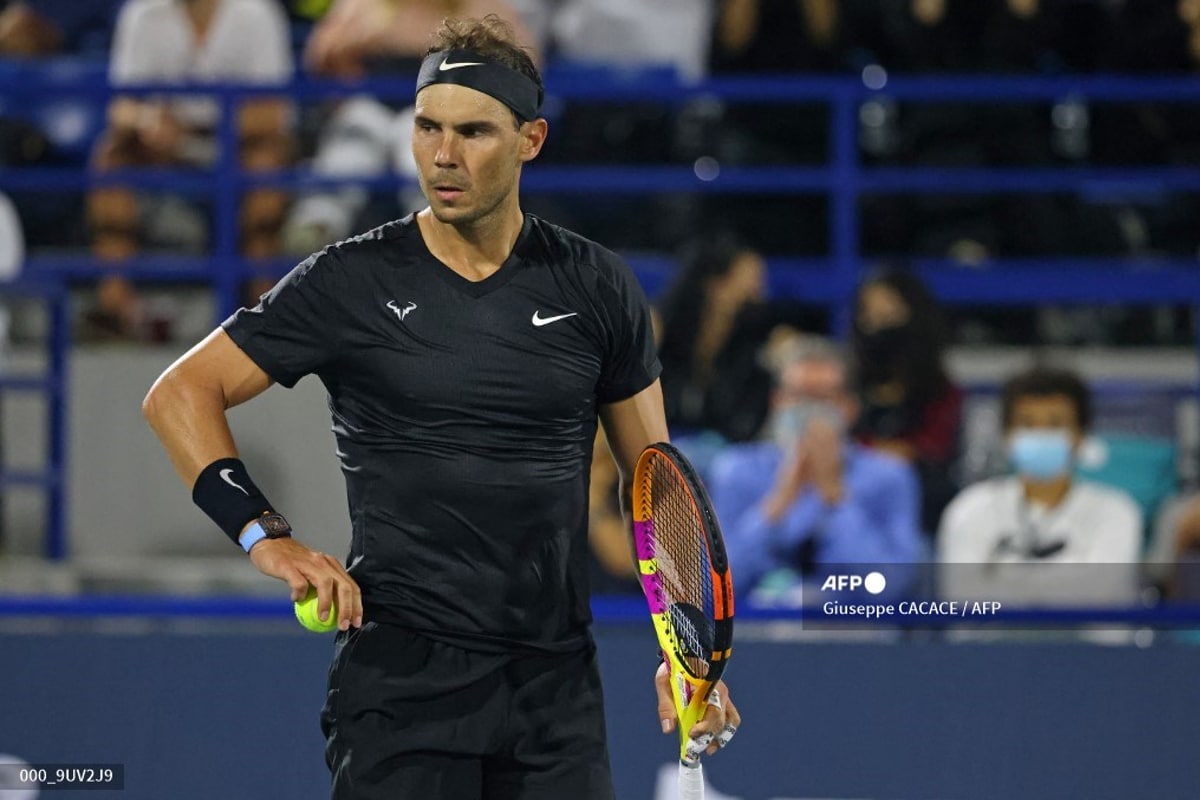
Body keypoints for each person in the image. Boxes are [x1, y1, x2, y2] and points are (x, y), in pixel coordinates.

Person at [141, 15, 740, 799]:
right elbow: (180, 392)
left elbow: (657, 487)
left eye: (473, 132)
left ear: (532, 139)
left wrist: (686, 660)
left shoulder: (598, 287)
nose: (443, 155)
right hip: (399, 688)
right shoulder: (349, 280)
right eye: (427, 127)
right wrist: (265, 536)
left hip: (553, 691)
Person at [86, 0, 294, 340]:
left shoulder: (259, 14)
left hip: (237, 144)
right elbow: (121, 106)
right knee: (111, 156)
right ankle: (115, 306)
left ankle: (264, 304)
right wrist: (147, 121)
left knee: (267, 162)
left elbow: (272, 113)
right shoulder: (141, 15)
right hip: (164, 147)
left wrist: (206, 125)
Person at [708, 334, 923, 605]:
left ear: (849, 408)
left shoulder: (889, 477)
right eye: (800, 396)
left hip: (856, 633)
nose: (810, 412)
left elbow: (891, 586)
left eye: (823, 398)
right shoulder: (736, 472)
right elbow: (715, 589)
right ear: (778, 402)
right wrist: (775, 505)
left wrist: (836, 499)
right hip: (756, 634)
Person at [937, 366, 1142, 608]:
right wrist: (1064, 583)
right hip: (994, 645)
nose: (1041, 435)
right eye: (1028, 424)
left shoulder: (1117, 512)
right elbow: (963, 598)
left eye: (1056, 424)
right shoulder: (970, 510)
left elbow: (1101, 596)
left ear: (1081, 435)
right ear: (1006, 436)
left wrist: (1005, 581)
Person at [850, 267, 962, 535]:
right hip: (855, 508)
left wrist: (875, 453)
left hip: (922, 511)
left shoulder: (940, 391)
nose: (877, 324)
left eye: (889, 312)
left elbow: (934, 451)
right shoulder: (850, 388)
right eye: (869, 314)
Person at [656, 234, 777, 474]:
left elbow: (746, 422)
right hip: (662, 449)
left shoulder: (757, 345)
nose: (760, 289)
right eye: (751, 278)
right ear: (715, 284)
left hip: (728, 457)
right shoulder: (663, 336)